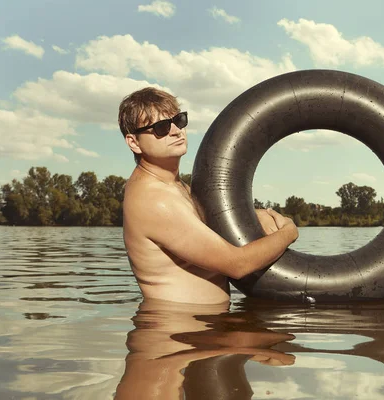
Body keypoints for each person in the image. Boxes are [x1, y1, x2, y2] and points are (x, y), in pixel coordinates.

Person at [118, 87, 298, 304]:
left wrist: (254, 216)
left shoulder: (174, 186)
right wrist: (289, 231)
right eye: (161, 128)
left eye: (179, 120)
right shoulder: (154, 200)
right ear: (134, 142)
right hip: (177, 332)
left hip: (205, 328)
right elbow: (237, 265)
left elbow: (205, 226)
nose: (176, 131)